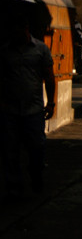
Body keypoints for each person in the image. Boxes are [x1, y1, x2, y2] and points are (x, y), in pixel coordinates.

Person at [0, 11, 56, 198]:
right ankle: (14, 185)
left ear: (25, 29)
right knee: (10, 149)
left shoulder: (40, 49)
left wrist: (51, 103)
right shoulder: (6, 51)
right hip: (11, 108)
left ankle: (36, 174)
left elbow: (49, 76)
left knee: (37, 146)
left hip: (33, 108)